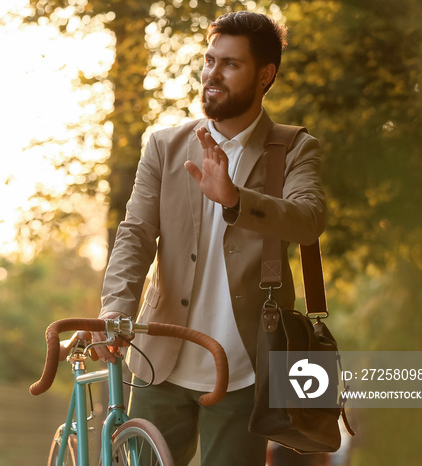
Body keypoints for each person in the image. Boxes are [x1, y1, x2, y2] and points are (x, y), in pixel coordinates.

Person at [93, 10, 326, 466]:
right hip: (159, 361)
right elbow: (136, 235)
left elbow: (308, 219)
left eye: (230, 64)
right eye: (209, 60)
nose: (212, 75)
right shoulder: (164, 146)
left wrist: (237, 200)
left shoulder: (295, 148)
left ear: (265, 75)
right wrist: (116, 305)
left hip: (245, 374)